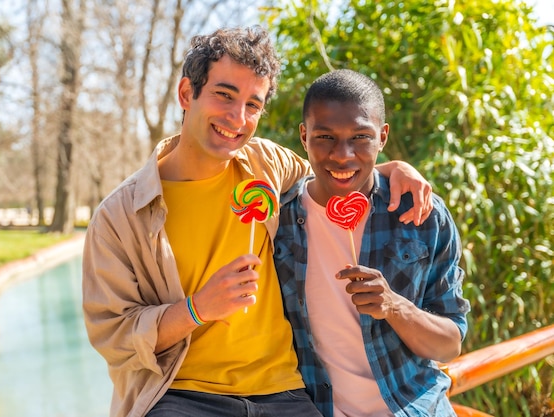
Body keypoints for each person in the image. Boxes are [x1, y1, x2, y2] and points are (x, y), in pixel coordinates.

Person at [82, 26, 433, 417]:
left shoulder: (266, 163)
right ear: (187, 94)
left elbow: (333, 171)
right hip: (182, 394)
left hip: (284, 390)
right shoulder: (121, 215)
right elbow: (113, 335)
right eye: (225, 95)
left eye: (253, 104)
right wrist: (197, 309)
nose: (238, 118)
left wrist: (395, 167)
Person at [273, 68, 471, 417]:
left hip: (415, 408)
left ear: (383, 137)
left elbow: (449, 344)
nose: (343, 155)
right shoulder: (277, 220)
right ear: (303, 136)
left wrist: (394, 307)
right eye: (325, 137)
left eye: (361, 137)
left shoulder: (422, 216)